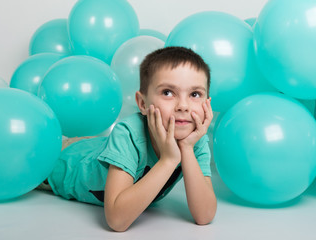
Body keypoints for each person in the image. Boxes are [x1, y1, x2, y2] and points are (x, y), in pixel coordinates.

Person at [40, 46, 217, 232]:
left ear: (207, 103)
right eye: (167, 92)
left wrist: (186, 149)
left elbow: (204, 215)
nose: (183, 106)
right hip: (64, 159)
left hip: (97, 146)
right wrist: (169, 160)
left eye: (195, 94)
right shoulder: (129, 133)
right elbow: (117, 220)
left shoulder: (195, 139)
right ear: (142, 103)